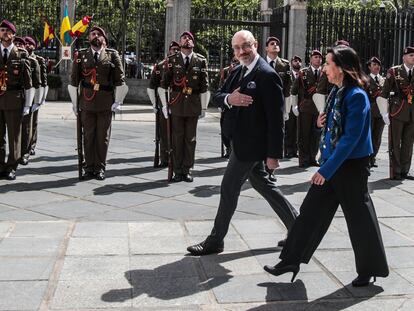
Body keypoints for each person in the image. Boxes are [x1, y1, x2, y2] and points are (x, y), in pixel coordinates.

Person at [264, 45, 389, 287]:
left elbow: (351, 139)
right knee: (310, 212)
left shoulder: (357, 95)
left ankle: (370, 269)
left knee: (359, 218)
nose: (324, 68)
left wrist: (325, 170)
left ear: (342, 68)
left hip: (351, 166)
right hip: (334, 161)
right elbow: (337, 127)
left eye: (329, 64)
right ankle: (290, 260)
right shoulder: (337, 91)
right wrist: (324, 122)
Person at [186, 30, 298, 256]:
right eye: (236, 48)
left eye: (245, 46)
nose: (241, 52)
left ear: (255, 44)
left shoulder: (267, 74)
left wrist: (274, 154)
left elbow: (276, 119)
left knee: (228, 188)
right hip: (238, 141)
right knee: (264, 185)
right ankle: (299, 228)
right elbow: (217, 95)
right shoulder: (237, 71)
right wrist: (230, 99)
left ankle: (216, 240)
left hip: (252, 146)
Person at [68, 26, 127, 180]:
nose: (96, 36)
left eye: (99, 34)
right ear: (88, 38)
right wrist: (75, 103)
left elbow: (119, 80)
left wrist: (118, 101)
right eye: (93, 34)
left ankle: (100, 167)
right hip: (86, 102)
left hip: (105, 102)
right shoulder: (81, 55)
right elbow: (74, 81)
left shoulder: (112, 56)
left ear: (104, 38)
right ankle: (88, 167)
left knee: (102, 137)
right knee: (88, 136)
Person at [159, 31, 209, 182]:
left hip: (193, 104)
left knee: (190, 139)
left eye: (190, 38)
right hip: (176, 104)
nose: (187, 40)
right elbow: (164, 84)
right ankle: (177, 169)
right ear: (180, 42)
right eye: (184, 38)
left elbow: (204, 87)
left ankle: (187, 170)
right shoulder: (172, 60)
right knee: (177, 138)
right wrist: (164, 105)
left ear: (193, 42)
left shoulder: (201, 61)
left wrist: (204, 108)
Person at [0, 20, 33, 180]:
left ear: (13, 34)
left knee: (14, 135)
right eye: (2, 30)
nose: (5, 33)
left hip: (14, 99)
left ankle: (11, 166)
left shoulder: (21, 54)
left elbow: (28, 83)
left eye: (8, 31)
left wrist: (27, 104)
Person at [377, 47, 414, 180]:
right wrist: (384, 113)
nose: (413, 57)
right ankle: (396, 171)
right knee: (395, 142)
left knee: (408, 143)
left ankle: (405, 170)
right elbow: (384, 93)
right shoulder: (394, 71)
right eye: (410, 55)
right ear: (404, 57)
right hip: (398, 110)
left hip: (412, 112)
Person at [147, 41, 180, 167]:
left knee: (178, 133)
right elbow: (152, 86)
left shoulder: (184, 64)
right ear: (169, 51)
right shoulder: (161, 66)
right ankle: (165, 158)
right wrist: (155, 104)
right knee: (164, 133)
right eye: (173, 49)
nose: (176, 51)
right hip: (164, 104)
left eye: (178, 49)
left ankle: (176, 158)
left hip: (179, 103)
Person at [291, 50, 323, 168]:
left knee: (316, 135)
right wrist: (294, 105)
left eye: (320, 58)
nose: (318, 59)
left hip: (319, 108)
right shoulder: (303, 73)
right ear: (310, 59)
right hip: (305, 108)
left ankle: (312, 158)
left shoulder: (324, 73)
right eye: (315, 57)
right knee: (304, 135)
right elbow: (293, 91)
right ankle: (303, 159)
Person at [16, 36, 40, 166]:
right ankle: (16, 152)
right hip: (12, 97)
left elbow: (37, 83)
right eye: (17, 43)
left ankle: (25, 152)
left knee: (27, 127)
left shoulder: (33, 61)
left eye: (22, 44)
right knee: (15, 128)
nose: (20, 46)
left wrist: (37, 101)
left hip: (28, 98)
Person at [25, 36, 48, 157]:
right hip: (23, 94)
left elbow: (43, 80)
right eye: (26, 43)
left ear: (34, 46)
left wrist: (41, 98)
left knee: (32, 122)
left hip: (35, 94)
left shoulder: (38, 60)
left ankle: (31, 145)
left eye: (30, 44)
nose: (28, 45)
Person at [366, 56, 385, 168]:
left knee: (377, 136)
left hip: (381, 111)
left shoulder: (383, 80)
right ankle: (367, 158)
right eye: (374, 65)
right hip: (371, 110)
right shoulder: (366, 79)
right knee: (369, 135)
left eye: (378, 65)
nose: (377, 67)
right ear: (369, 67)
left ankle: (373, 157)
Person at [219, 57, 239, 158]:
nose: (235, 64)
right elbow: (221, 85)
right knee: (224, 127)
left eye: (237, 62)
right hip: (227, 101)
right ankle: (228, 147)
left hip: (237, 103)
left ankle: (231, 148)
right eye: (234, 62)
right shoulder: (226, 71)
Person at [284, 55, 302, 159]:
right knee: (289, 128)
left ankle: (295, 150)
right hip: (289, 104)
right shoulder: (288, 74)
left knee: (298, 129)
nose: (297, 62)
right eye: (295, 61)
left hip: (299, 104)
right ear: (291, 63)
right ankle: (288, 150)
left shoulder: (302, 74)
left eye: (299, 61)